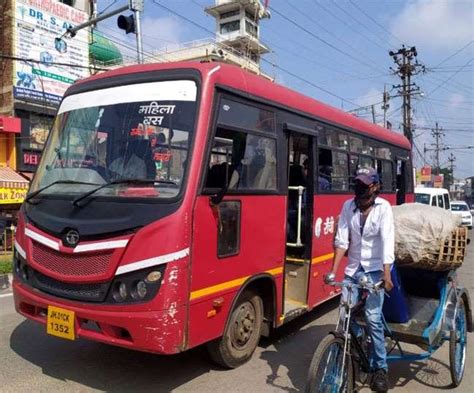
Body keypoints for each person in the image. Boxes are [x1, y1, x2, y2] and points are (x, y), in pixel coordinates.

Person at [326, 167, 394, 392]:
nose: (359, 188)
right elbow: (342, 240)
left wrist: (386, 274)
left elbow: (387, 240)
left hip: (375, 269)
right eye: (357, 184)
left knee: (373, 318)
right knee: (345, 314)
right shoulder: (348, 206)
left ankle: (380, 368)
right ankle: (353, 347)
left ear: (374, 186)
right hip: (354, 267)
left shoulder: (383, 208)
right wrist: (333, 272)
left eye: (364, 185)